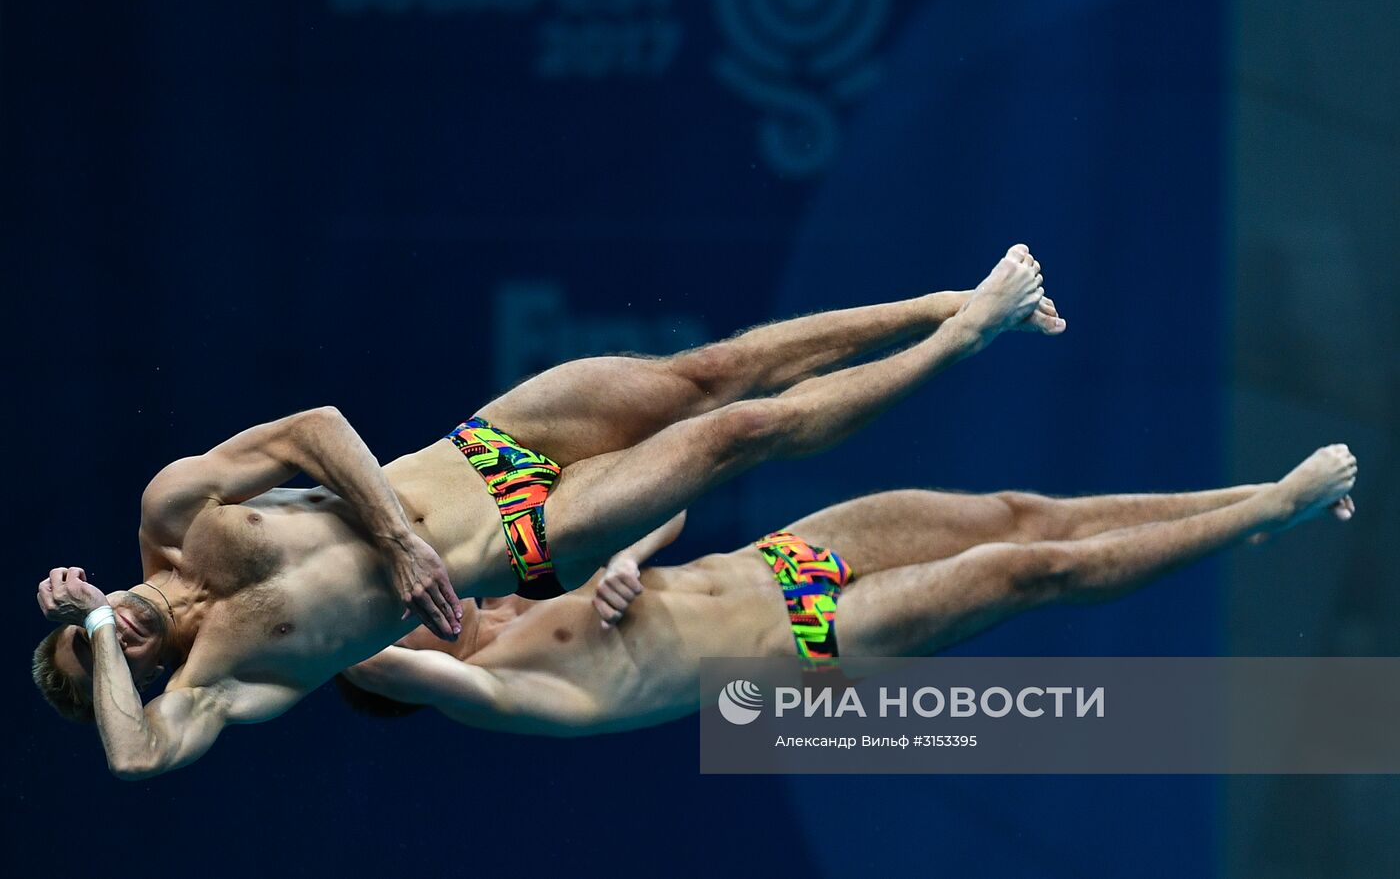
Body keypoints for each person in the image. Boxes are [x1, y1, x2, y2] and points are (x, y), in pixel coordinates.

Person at [32, 245, 1060, 778]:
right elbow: (139, 758)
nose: (113, 630)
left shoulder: (175, 506)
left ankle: (937, 301)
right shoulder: (232, 677)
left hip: (486, 445)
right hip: (526, 534)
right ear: (142, 673)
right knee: (734, 437)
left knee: (714, 370)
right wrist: (94, 639)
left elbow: (315, 427)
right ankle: (959, 340)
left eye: (98, 623)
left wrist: (393, 539)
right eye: (106, 650)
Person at [336, 447, 1357, 734]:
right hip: (814, 642)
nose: (445, 607)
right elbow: (357, 651)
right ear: (414, 675)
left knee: (1020, 513)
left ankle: (1261, 494)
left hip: (793, 556)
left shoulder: (505, 604)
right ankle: (1269, 519)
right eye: (413, 639)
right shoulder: (504, 694)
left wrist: (624, 561)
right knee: (1027, 571)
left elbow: (665, 512)